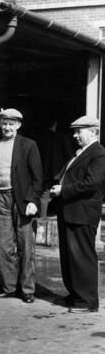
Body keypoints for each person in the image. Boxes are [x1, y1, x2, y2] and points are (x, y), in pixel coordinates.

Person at [0, 109, 43, 304]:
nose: (7, 127)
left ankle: (27, 289)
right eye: (4, 123)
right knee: (2, 244)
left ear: (18, 125)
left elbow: (37, 178)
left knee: (25, 245)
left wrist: (34, 201)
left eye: (11, 124)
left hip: (22, 200)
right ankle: (8, 286)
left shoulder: (28, 145)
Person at [50, 116, 105, 313]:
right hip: (71, 210)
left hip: (82, 212)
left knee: (82, 256)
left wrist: (62, 190)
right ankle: (75, 294)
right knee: (70, 256)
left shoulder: (98, 153)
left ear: (93, 132)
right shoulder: (82, 152)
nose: (75, 136)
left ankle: (87, 301)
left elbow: (92, 184)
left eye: (79, 131)